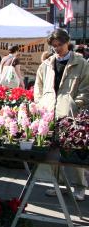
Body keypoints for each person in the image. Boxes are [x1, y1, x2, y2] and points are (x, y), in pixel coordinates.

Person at [34, 28, 89, 201]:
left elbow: (86, 88)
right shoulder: (46, 64)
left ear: (68, 42)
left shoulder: (81, 63)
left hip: (71, 113)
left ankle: (79, 187)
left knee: (73, 150)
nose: (57, 48)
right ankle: (58, 184)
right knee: (53, 150)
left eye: (60, 45)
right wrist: (40, 103)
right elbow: (39, 86)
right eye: (54, 46)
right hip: (50, 112)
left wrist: (76, 104)